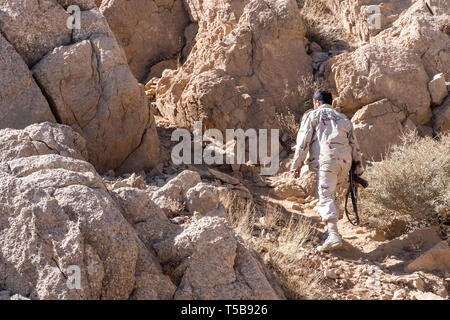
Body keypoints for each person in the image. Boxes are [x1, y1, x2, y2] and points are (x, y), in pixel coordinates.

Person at [291, 90, 363, 252]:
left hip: (327, 160)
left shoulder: (313, 115)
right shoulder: (343, 118)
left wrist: (297, 164)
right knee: (333, 194)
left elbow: (303, 141)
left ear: (316, 102)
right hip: (345, 163)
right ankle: (329, 231)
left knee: (325, 196)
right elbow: (355, 146)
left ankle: (333, 235)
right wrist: (358, 171)